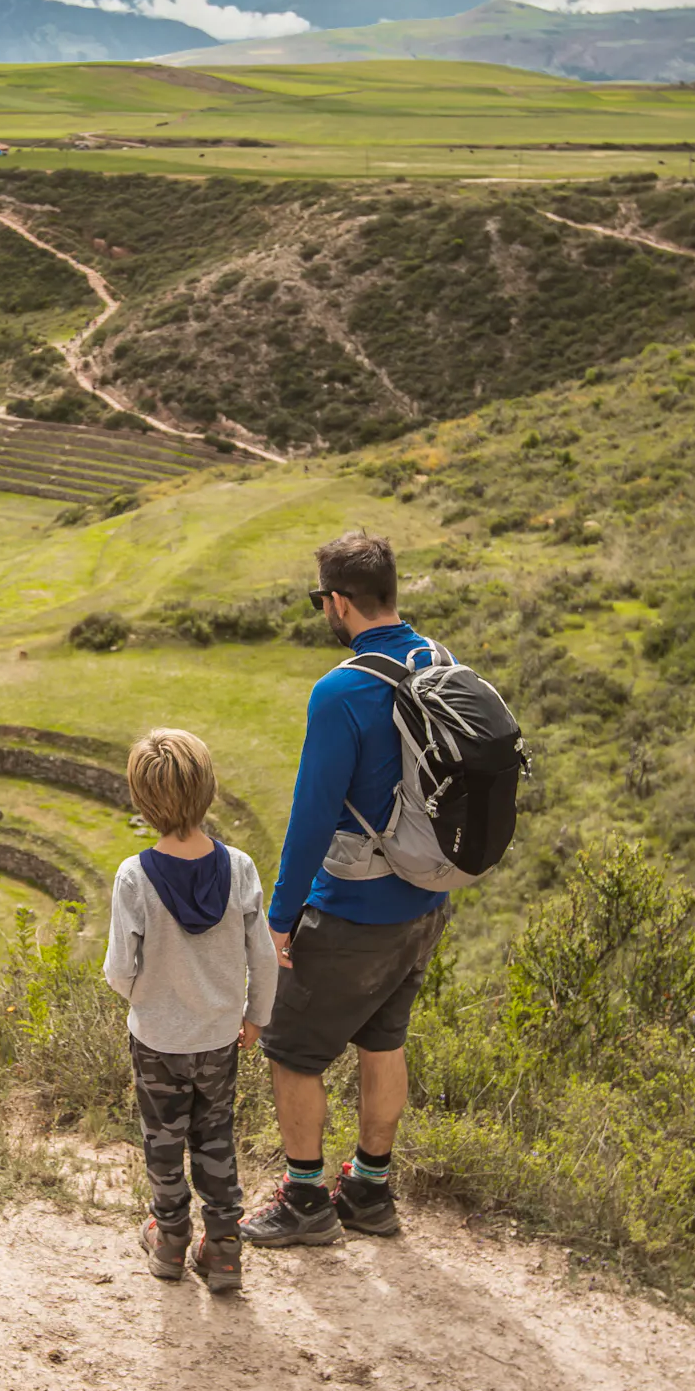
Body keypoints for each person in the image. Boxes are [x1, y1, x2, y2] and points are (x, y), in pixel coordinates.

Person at [241, 532, 449, 1247]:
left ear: (336, 602)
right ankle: (369, 1190)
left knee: (292, 1052)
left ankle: (305, 1202)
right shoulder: (440, 663)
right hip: (426, 900)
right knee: (382, 1041)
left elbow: (313, 813)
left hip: (356, 908)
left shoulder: (343, 689)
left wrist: (280, 917)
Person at [102, 728, 278, 1294]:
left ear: (143, 801)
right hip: (220, 1037)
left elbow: (118, 968)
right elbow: (264, 956)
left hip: (157, 1039)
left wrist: (147, 1001)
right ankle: (224, 1249)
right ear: (209, 790)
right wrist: (256, 1016)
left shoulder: (135, 876)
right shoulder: (242, 867)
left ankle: (171, 1240)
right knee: (215, 1135)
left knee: (163, 1138)